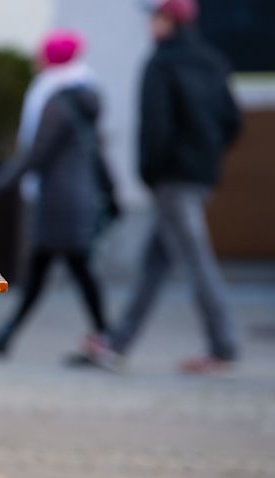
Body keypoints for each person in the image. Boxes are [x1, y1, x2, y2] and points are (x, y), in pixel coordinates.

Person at [81, 0, 241, 373]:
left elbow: (155, 127)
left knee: (197, 260)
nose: (150, 24)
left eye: (156, 16)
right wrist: (207, 156)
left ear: (170, 21)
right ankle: (117, 343)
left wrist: (150, 173)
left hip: (172, 180)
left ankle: (224, 345)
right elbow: (232, 120)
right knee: (155, 262)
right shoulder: (213, 61)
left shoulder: (162, 62)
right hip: (200, 176)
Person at [0, 29, 115, 357]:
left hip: (58, 201)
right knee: (50, 270)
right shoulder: (84, 95)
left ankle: (106, 335)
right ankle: (7, 335)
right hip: (75, 196)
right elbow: (96, 149)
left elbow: (36, 154)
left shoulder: (56, 100)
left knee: (70, 270)